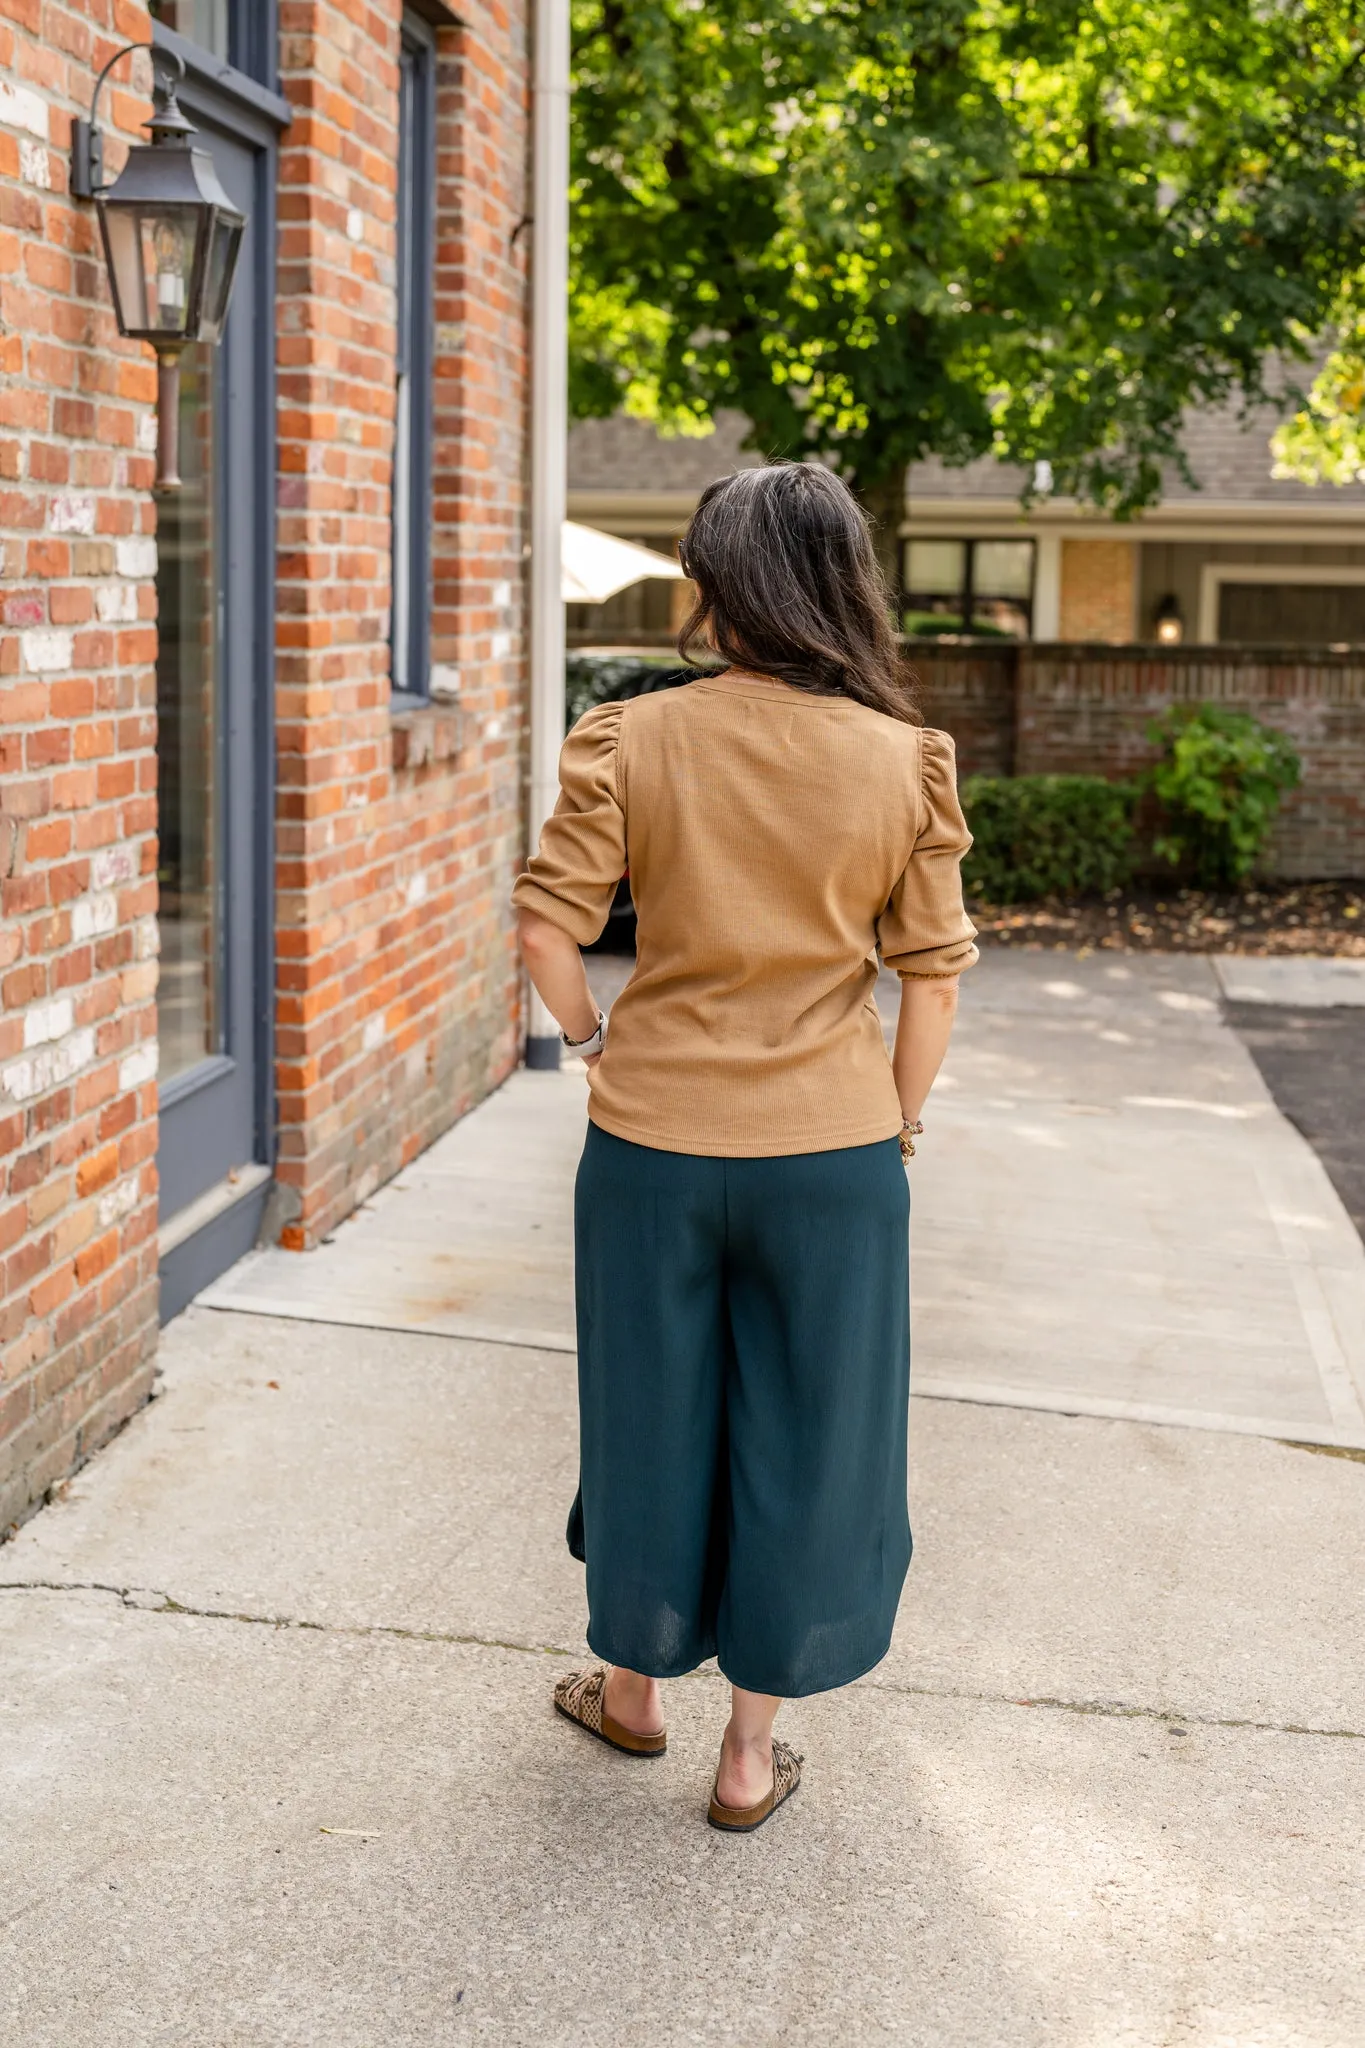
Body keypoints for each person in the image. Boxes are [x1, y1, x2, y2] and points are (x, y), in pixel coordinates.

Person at [513, 462, 977, 1833]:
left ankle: (633, 1691)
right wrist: (891, 1123)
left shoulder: (630, 737)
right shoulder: (905, 760)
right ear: (844, 584)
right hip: (830, 1154)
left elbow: (546, 929)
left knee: (648, 1408)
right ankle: (748, 1760)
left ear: (722, 586)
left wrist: (595, 1043)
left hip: (650, 1141)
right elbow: (932, 978)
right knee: (813, 1432)